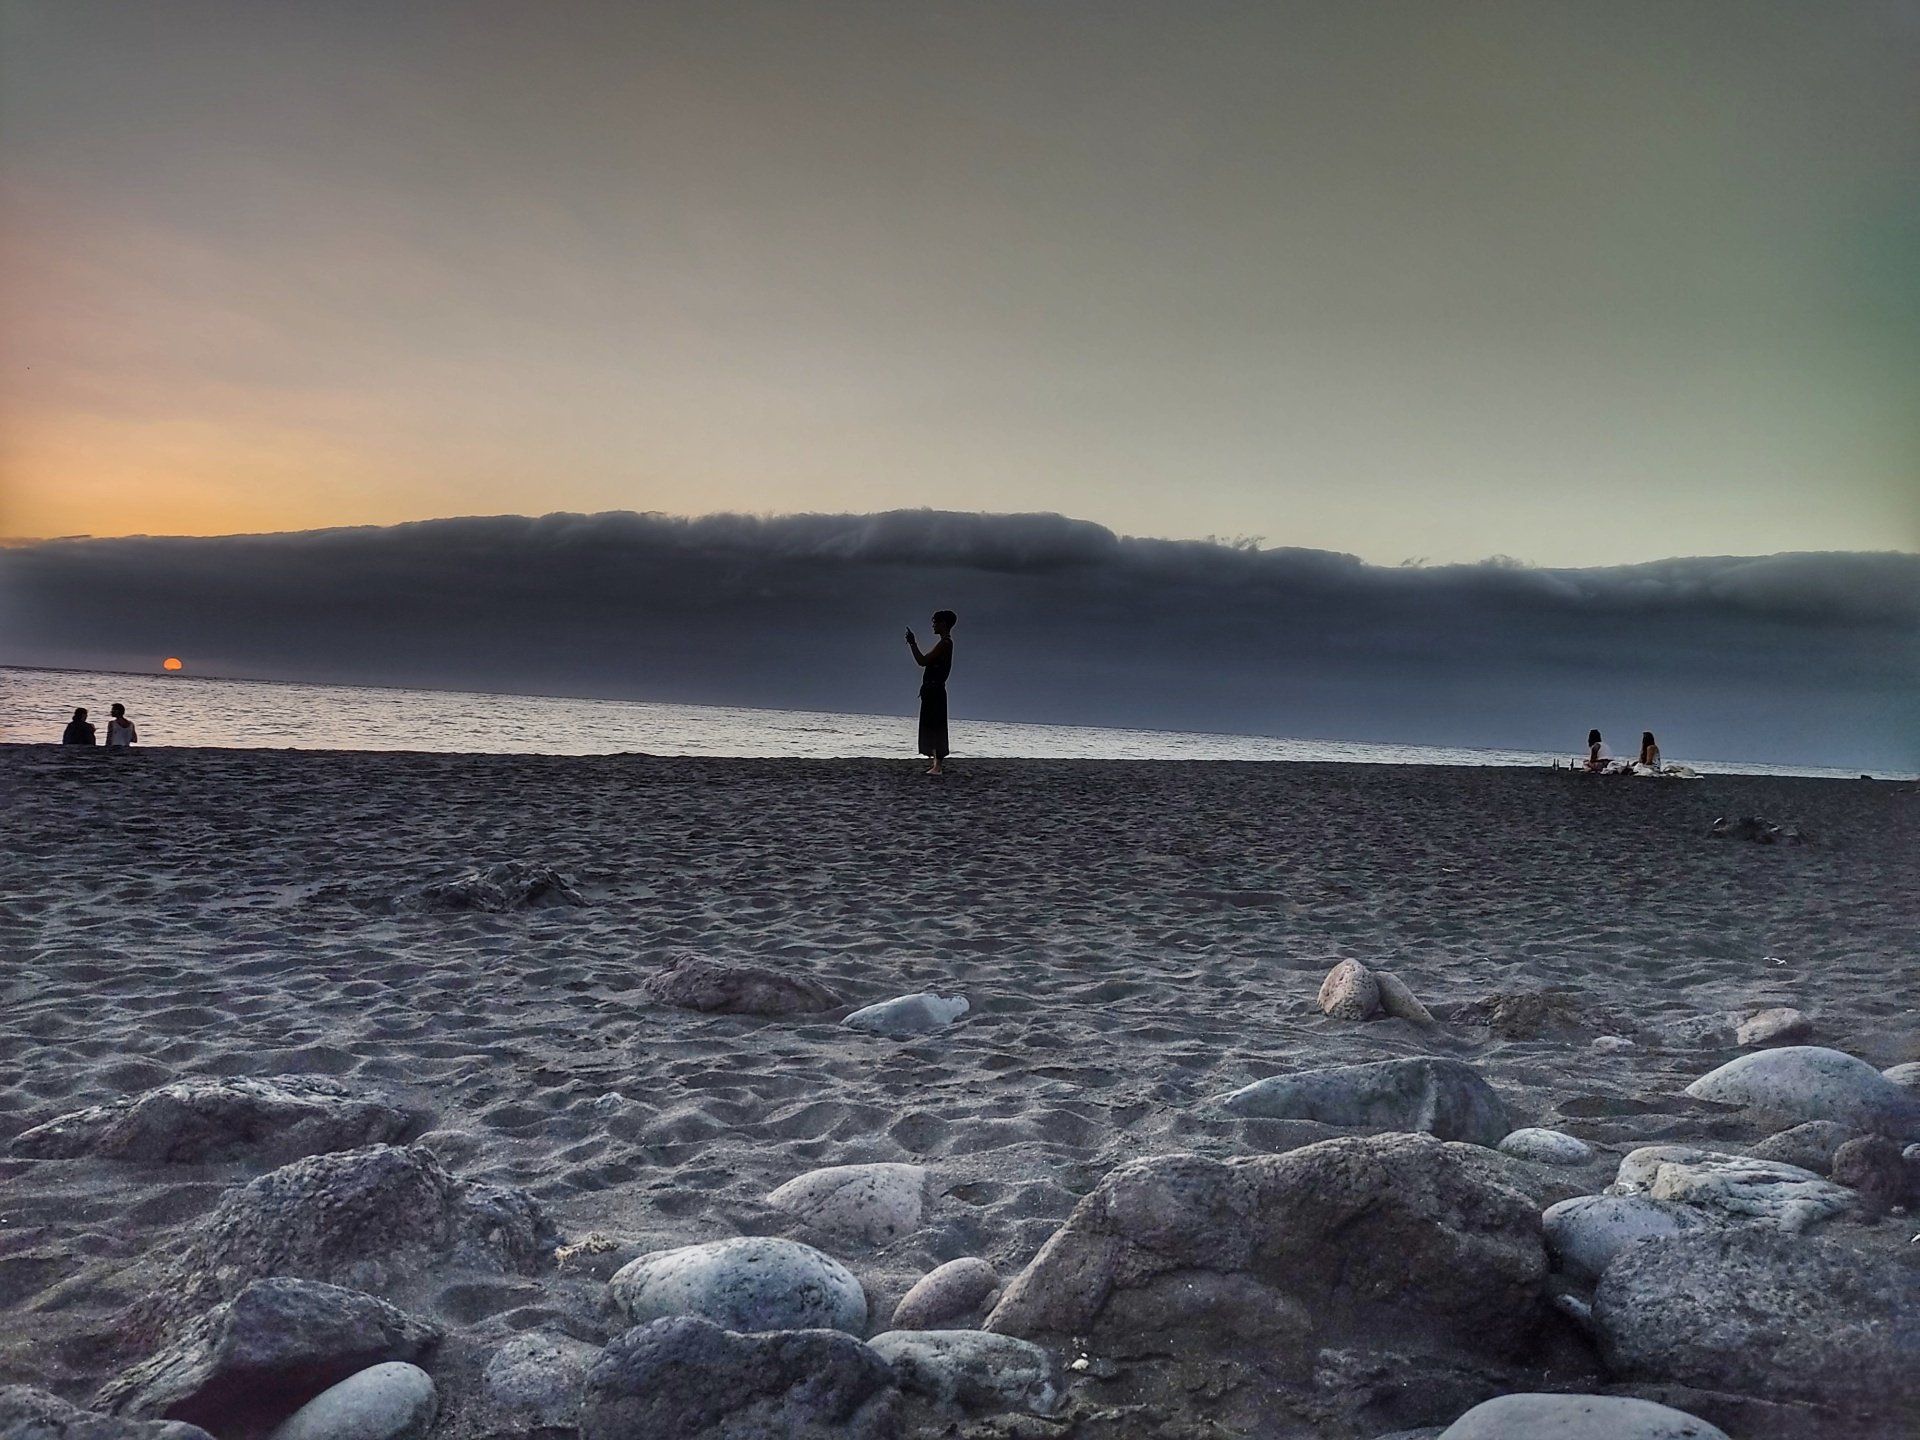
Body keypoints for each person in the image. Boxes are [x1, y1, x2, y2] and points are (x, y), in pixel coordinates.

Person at [905, 610, 956, 774]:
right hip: (933, 690)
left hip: (935, 690)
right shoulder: (945, 643)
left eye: (935, 622)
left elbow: (923, 661)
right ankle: (936, 764)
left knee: (936, 726)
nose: (933, 625)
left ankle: (938, 766)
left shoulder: (945, 644)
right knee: (933, 725)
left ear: (943, 624)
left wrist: (912, 643)